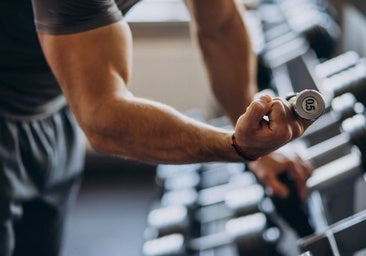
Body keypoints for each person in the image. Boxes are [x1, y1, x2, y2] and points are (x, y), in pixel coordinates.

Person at [0, 0, 313, 255]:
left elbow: (219, 26)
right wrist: (236, 147)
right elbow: (103, 115)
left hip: (50, 110)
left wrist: (252, 123)